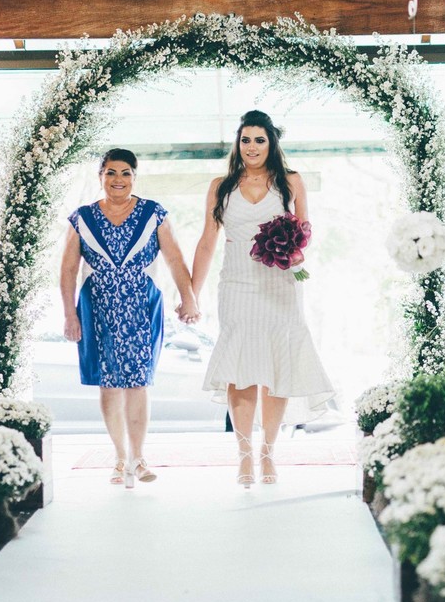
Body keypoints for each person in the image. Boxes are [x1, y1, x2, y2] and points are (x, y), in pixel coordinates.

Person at [190, 110, 334, 487]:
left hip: (280, 285)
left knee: (276, 368)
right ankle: (243, 454)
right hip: (236, 285)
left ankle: (268, 452)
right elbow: (207, 242)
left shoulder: (291, 182)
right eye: (246, 140)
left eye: (259, 140)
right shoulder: (221, 186)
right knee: (241, 370)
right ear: (238, 144)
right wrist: (191, 293)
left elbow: (306, 231)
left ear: (271, 143)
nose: (252, 147)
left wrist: (293, 247)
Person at [61, 149, 199, 487]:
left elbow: (175, 259)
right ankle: (120, 457)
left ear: (134, 177)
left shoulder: (154, 214)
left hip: (141, 307)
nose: (118, 179)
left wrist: (189, 299)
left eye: (125, 173)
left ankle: (139, 458)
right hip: (97, 306)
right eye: (110, 173)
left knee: (138, 381)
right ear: (100, 177)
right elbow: (67, 270)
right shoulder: (82, 218)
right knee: (109, 383)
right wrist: (69, 315)